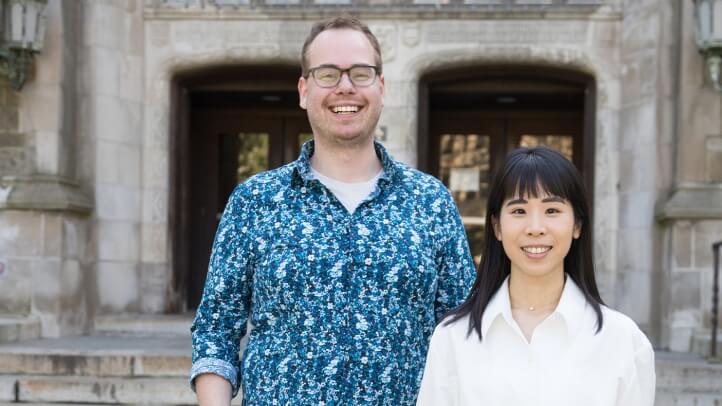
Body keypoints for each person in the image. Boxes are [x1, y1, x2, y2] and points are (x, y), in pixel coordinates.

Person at [190, 16, 475, 405]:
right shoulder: (255, 201)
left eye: (360, 73)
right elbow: (216, 331)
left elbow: (463, 334)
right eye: (328, 74)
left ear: (381, 86)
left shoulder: (431, 202)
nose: (345, 87)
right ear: (304, 90)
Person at [417, 147, 656, 406]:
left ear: (577, 225)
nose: (535, 228)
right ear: (497, 226)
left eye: (552, 210)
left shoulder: (622, 340)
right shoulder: (453, 337)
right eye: (519, 211)